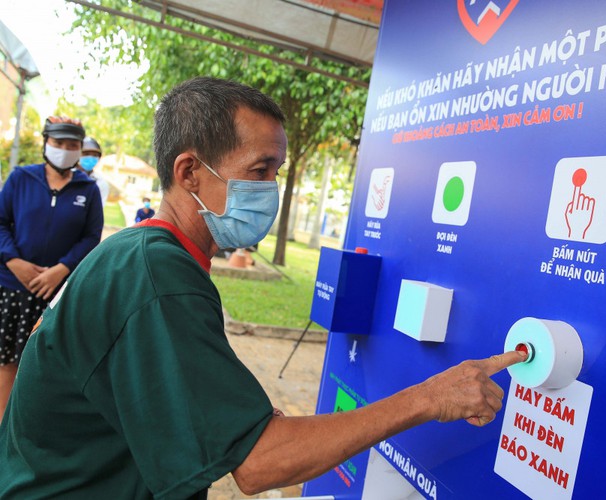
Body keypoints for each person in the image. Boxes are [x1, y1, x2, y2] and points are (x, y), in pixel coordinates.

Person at [0, 78, 526, 498]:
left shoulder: (143, 254)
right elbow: (257, 464)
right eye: (260, 169)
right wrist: (430, 397)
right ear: (190, 172)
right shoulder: (158, 278)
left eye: (277, 170)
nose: (271, 189)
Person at [0, 116, 104, 421]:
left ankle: (32, 432)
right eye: (58, 144)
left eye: (72, 145)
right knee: (7, 363)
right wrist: (13, 261)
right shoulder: (21, 178)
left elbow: (90, 237)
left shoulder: (89, 190)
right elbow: (1, 223)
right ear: (46, 143)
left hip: (58, 295)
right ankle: (3, 432)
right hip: (12, 287)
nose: (64, 150)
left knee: (45, 368)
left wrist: (62, 269)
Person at [79, 136, 110, 205]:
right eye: (86, 154)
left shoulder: (101, 183)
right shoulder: (66, 177)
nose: (90, 158)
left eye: (95, 155)